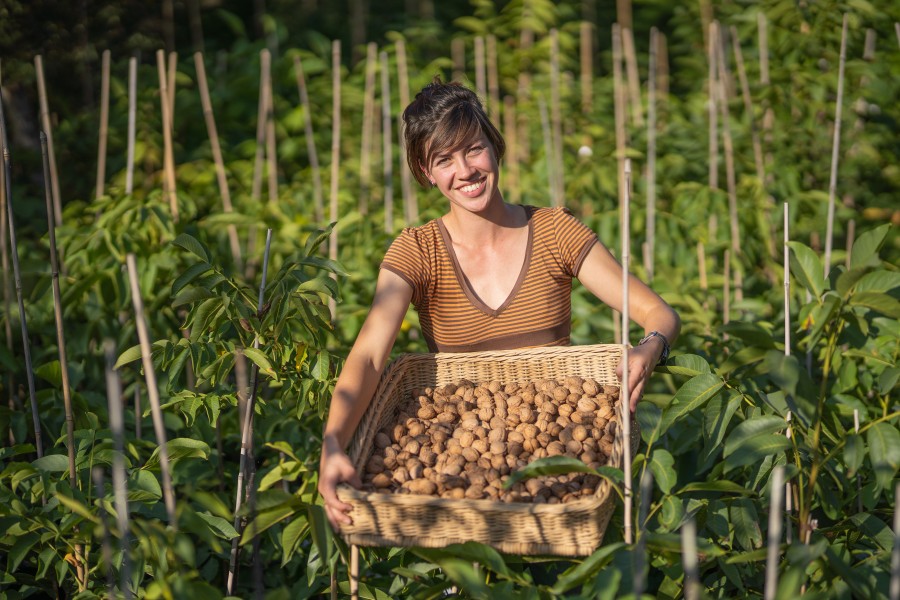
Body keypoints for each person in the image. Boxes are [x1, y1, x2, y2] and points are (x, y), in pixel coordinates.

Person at [318, 78, 680, 530]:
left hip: (557, 457)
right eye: (443, 160)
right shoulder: (417, 250)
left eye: (473, 149)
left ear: (495, 146)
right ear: (425, 173)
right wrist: (333, 445)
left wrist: (650, 347)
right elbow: (370, 355)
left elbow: (659, 313)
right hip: (460, 465)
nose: (465, 171)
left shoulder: (554, 231)